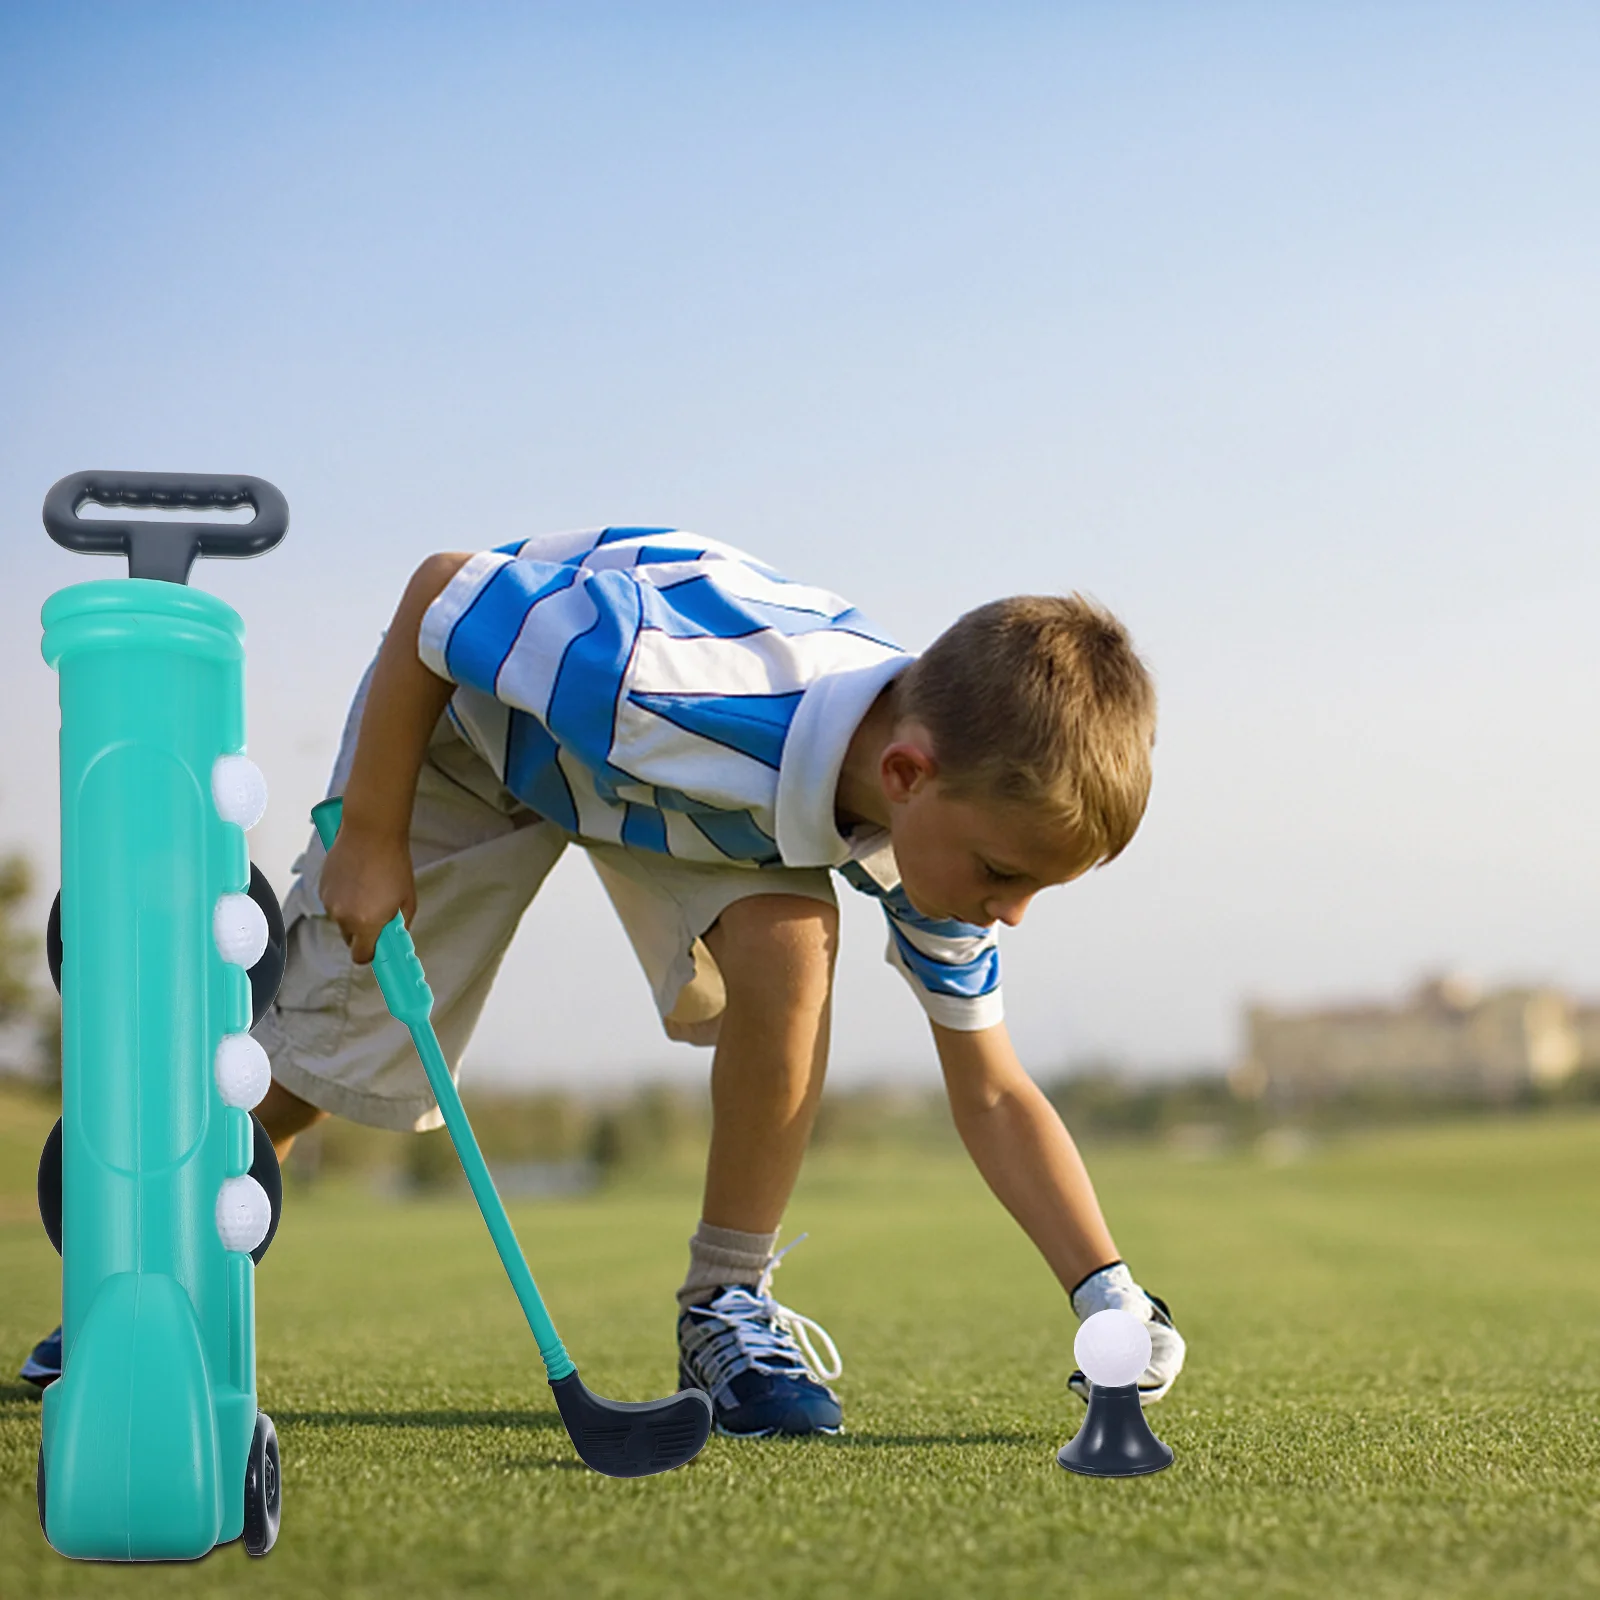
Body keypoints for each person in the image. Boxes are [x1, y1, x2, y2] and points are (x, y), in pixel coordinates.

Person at [22, 526, 1184, 1433]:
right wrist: (373, 829)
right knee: (323, 1066)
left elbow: (990, 1090)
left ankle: (726, 1305)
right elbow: (442, 592)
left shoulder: (935, 835)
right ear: (905, 771)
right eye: (1003, 875)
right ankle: (147, 1288)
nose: (1010, 912)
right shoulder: (667, 677)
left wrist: (1107, 1293)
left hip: (675, 809)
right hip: (479, 742)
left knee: (793, 943)